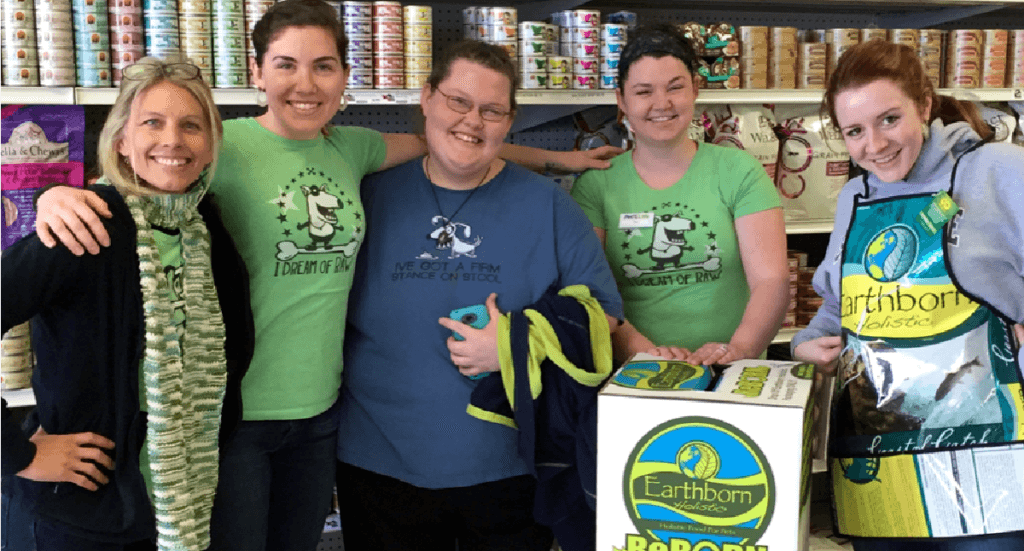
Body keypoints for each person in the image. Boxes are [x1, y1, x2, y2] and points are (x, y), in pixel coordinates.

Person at [31, 2, 621, 549]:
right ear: (258, 72)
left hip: (328, 424)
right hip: (246, 420)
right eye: (286, 64)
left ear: (344, 77)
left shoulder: (352, 151)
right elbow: (146, 179)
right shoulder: (220, 146)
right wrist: (57, 196)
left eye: (323, 66)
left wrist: (559, 162)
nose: (305, 83)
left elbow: (455, 143)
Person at [334, 39, 623, 551]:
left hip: (510, 472)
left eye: (492, 110)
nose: (473, 121)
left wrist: (515, 343)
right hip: (377, 465)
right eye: (458, 102)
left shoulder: (549, 206)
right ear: (426, 99)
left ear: (509, 122)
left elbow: (603, 316)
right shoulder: (368, 196)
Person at [1, 56, 248, 551]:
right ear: (121, 141)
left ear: (209, 146)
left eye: (191, 126)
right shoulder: (85, 226)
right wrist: (16, 456)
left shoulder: (210, 235)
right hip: (86, 516)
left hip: (184, 505)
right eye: (152, 123)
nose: (173, 140)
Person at [791, 40, 1024, 551]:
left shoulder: (999, 171)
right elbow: (839, 304)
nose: (874, 145)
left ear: (922, 103)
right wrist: (807, 344)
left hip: (988, 452)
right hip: (880, 456)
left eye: (889, 119)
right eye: (855, 131)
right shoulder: (856, 197)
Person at [570, 24, 789, 366]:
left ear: (695, 90)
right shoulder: (597, 185)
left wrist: (738, 349)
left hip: (731, 371)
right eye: (643, 92)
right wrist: (642, 351)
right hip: (634, 373)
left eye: (675, 87)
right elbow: (590, 293)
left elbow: (771, 280)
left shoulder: (738, 170)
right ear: (621, 100)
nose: (662, 104)